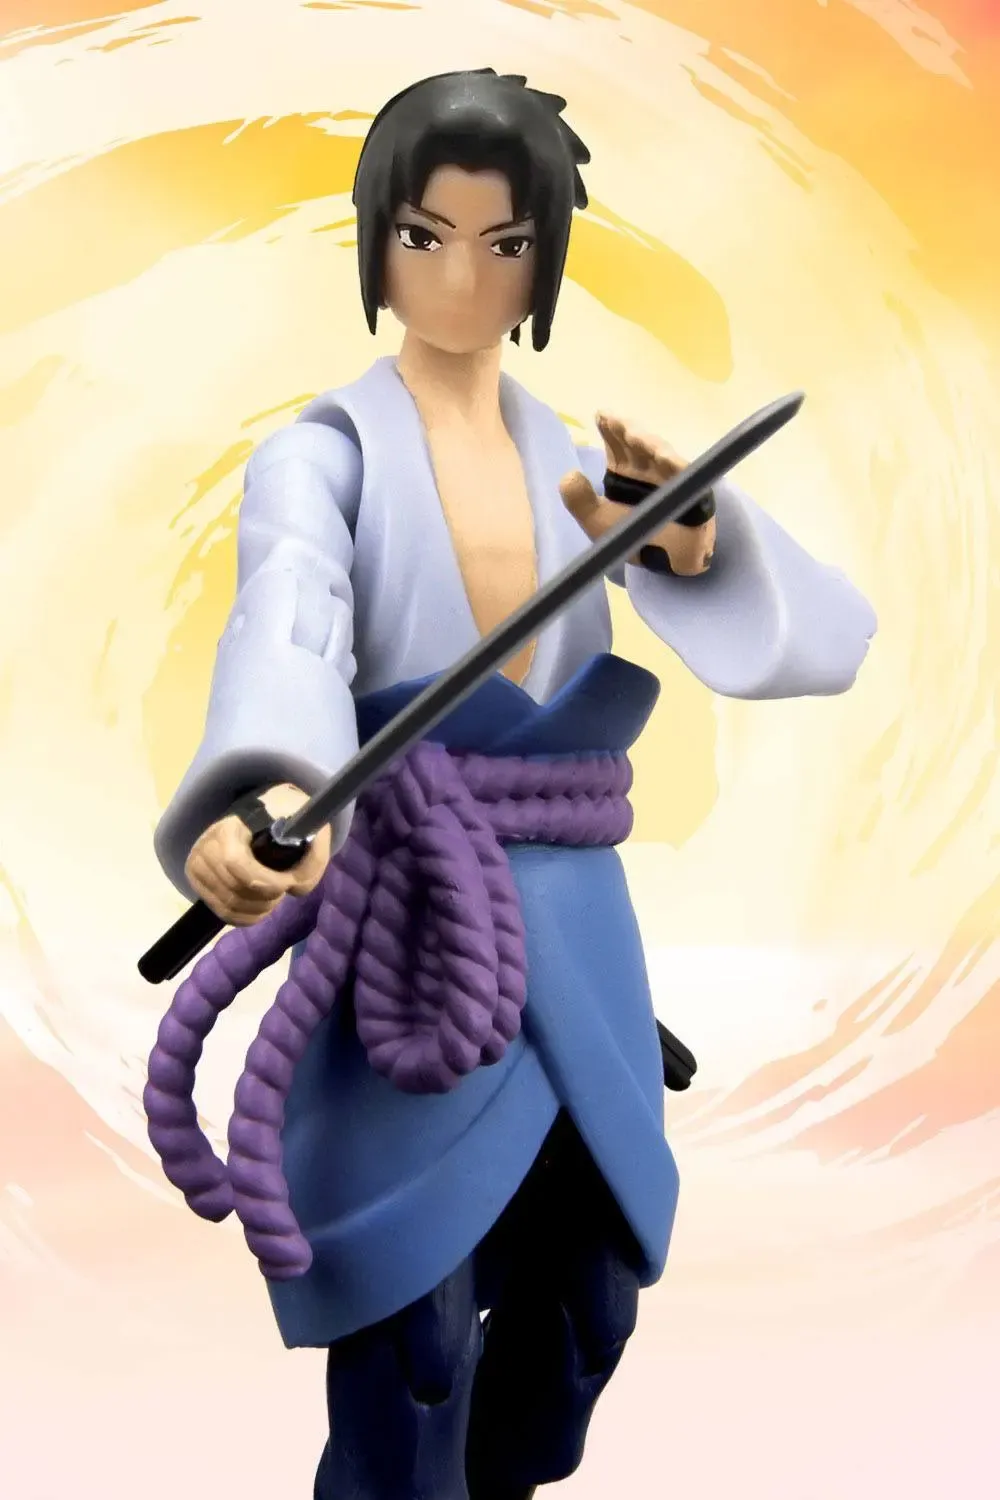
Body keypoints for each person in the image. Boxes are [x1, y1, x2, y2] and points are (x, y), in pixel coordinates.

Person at [145, 69, 876, 1500]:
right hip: (416, 927)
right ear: (378, 242)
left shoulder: (583, 473)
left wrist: (690, 543)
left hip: (572, 930)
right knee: (414, 1338)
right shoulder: (322, 458)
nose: (462, 278)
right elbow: (289, 625)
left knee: (590, 1310)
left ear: (544, 262)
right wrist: (262, 798)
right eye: (425, 236)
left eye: (504, 244)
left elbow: (824, 642)